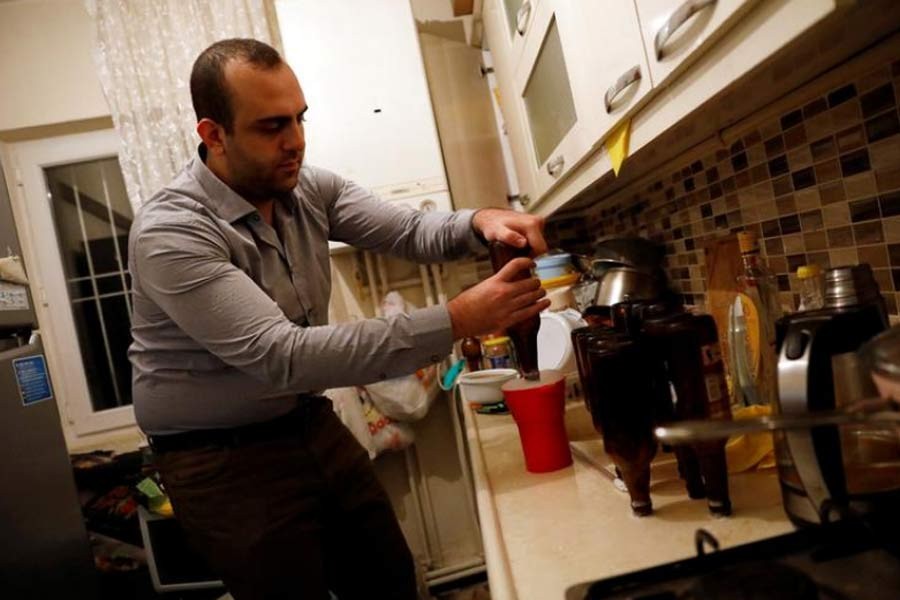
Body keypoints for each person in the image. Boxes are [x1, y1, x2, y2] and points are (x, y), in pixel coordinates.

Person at [128, 38, 549, 600]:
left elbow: (409, 231)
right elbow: (284, 356)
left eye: (300, 119)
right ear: (214, 134)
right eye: (272, 126)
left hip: (306, 422)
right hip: (219, 460)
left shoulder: (306, 188)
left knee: (390, 580)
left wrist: (483, 220)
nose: (295, 141)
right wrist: (457, 318)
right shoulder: (171, 231)